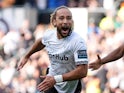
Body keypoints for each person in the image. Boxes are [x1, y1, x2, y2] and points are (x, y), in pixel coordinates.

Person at [17, 6, 88, 93]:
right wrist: (27, 56)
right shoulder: (49, 35)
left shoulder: (78, 42)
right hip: (51, 81)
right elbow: (40, 42)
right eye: (61, 18)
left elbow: (83, 71)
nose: (65, 21)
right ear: (54, 22)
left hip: (70, 87)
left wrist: (56, 79)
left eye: (68, 18)